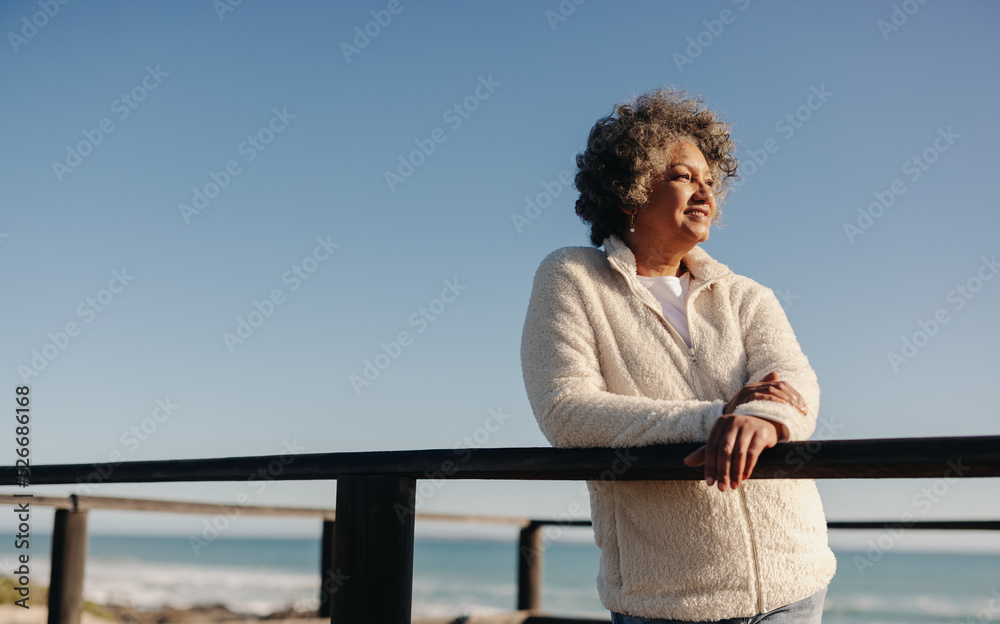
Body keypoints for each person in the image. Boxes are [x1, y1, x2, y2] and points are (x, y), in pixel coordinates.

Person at [519, 88, 836, 623]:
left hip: (796, 583)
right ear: (630, 190)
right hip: (665, 600)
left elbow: (794, 384)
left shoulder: (746, 294)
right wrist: (717, 419)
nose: (705, 193)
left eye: (710, 182)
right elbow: (566, 410)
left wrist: (764, 417)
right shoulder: (572, 276)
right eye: (684, 176)